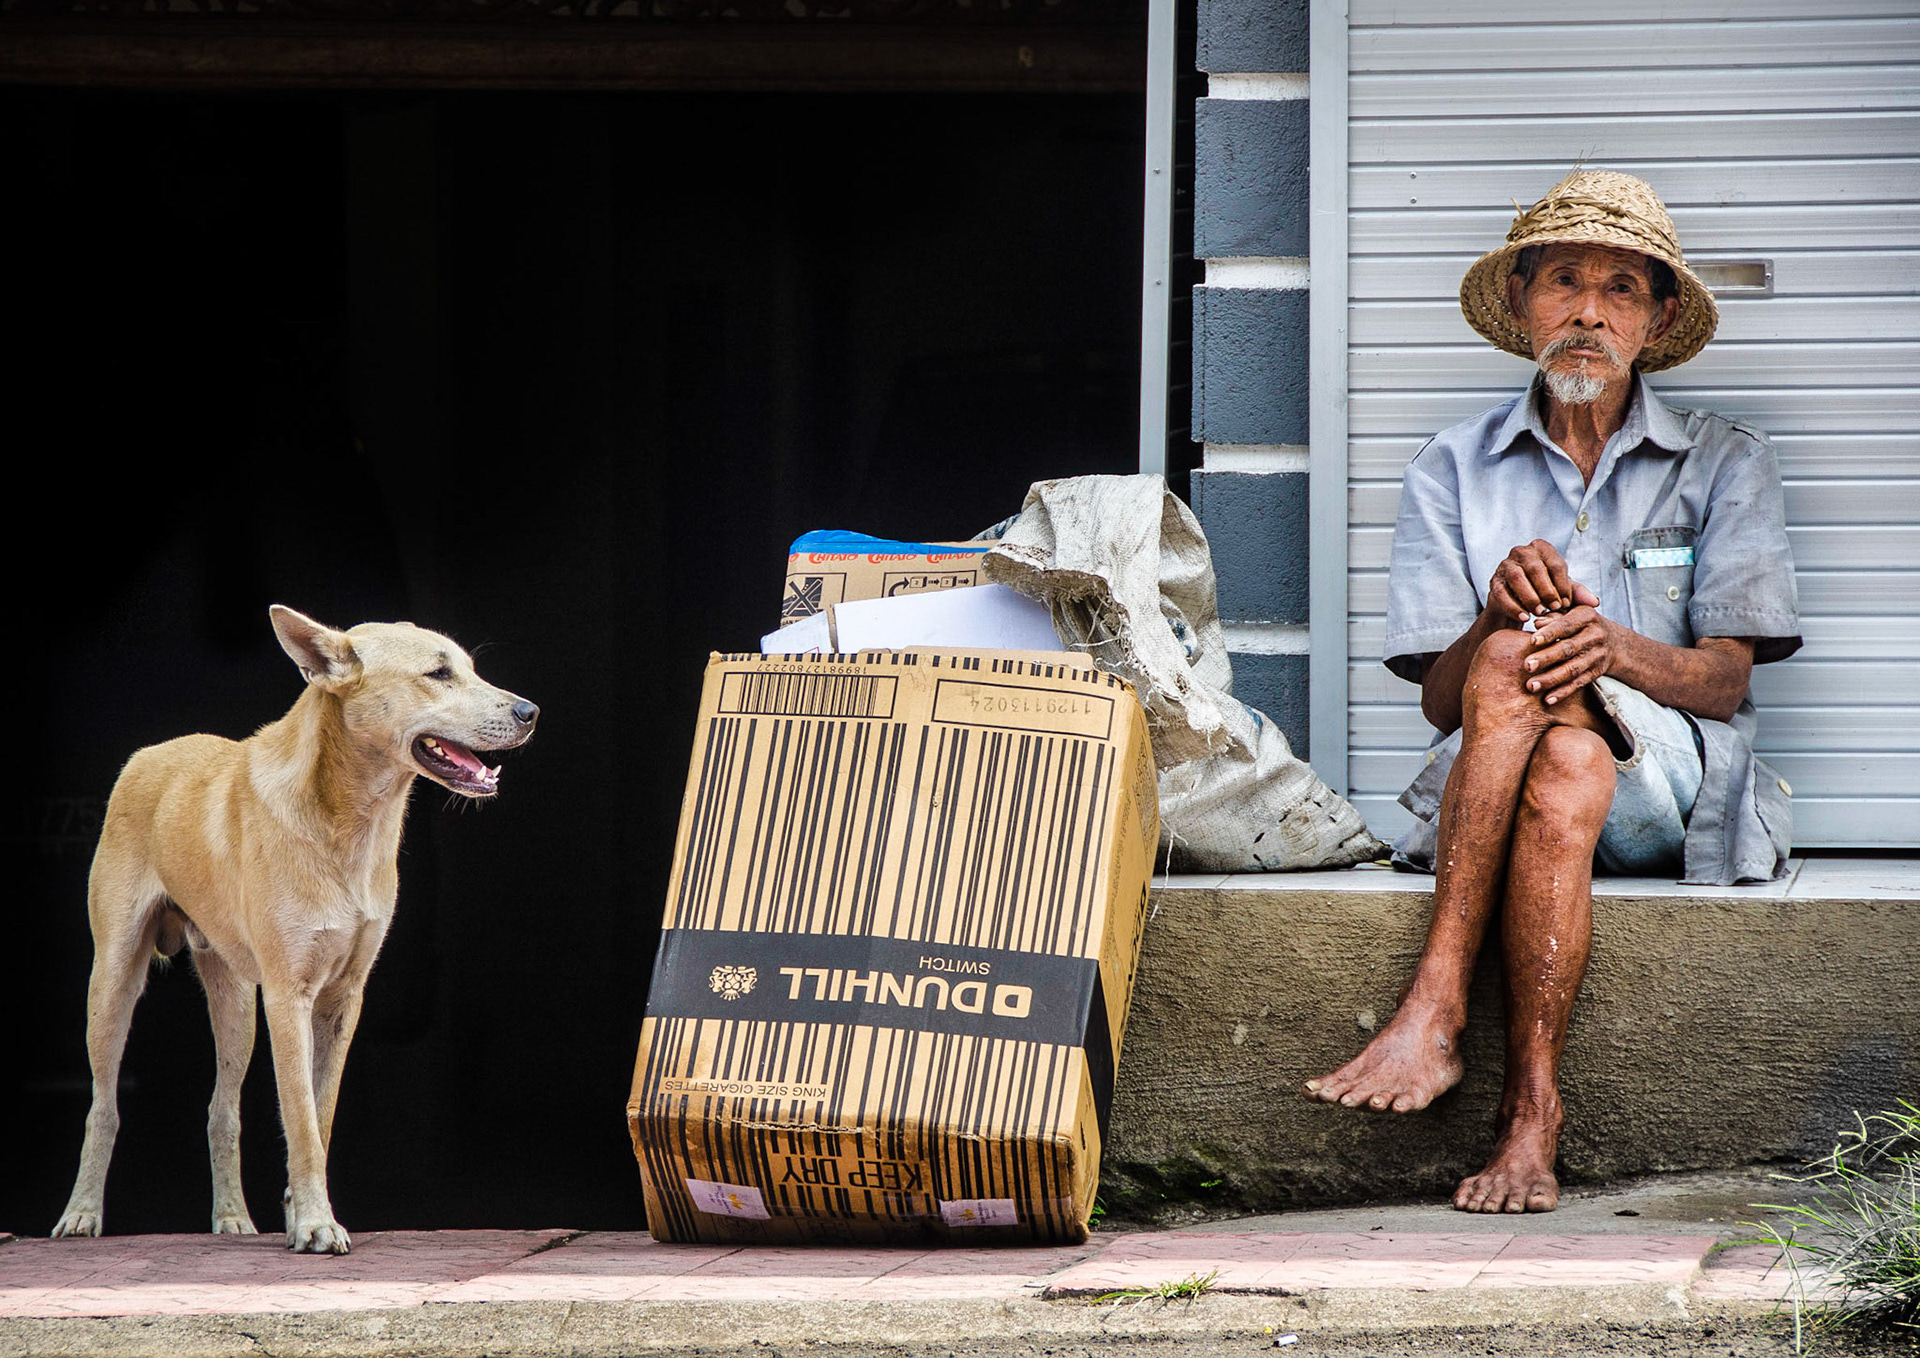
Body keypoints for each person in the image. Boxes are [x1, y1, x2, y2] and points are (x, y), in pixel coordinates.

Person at [1302, 170, 1801, 1213]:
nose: (1588, 310)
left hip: (1667, 785)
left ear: (1658, 318)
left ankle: (1435, 1002)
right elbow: (1445, 707)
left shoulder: (1722, 462)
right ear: (1524, 301)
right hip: (1529, 773)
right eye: (1564, 280)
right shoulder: (1452, 465)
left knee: (1533, 684)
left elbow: (1721, 680)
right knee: (1540, 721)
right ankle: (1532, 1115)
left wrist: (1606, 646)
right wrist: (1496, 613)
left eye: (1621, 288)